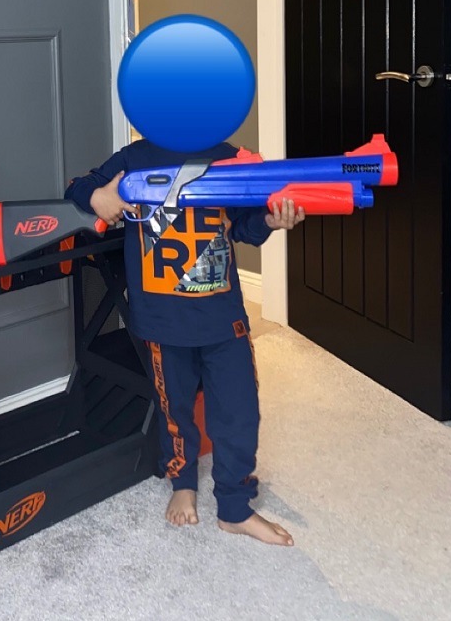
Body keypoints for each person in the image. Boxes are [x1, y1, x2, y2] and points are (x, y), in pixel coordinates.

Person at [65, 137, 304, 546]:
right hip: (164, 324)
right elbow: (76, 186)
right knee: (175, 410)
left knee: (240, 412)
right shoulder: (133, 157)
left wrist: (270, 220)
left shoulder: (228, 156)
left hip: (223, 320)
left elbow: (244, 226)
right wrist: (99, 198)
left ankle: (234, 507)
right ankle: (183, 482)